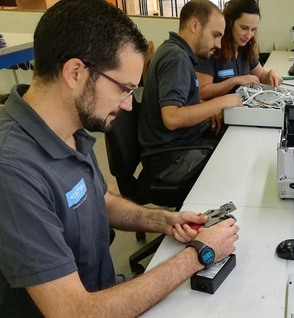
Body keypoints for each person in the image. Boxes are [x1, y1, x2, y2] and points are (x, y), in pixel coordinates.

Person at [0, 1, 239, 317]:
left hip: (107, 292)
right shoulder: (13, 170)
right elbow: (74, 312)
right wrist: (199, 254)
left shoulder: (70, 131)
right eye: (125, 90)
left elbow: (101, 200)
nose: (129, 106)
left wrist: (162, 220)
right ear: (75, 72)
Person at [139, 0, 243, 185]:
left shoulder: (177, 52)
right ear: (195, 25)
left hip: (181, 147)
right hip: (170, 161)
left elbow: (183, 104)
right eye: (215, 35)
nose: (219, 44)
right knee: (237, 165)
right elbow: (172, 118)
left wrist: (209, 110)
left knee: (234, 143)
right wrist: (221, 102)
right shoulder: (176, 58)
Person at [195, 0, 283, 133]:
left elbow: (261, 76)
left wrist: (272, 73)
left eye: (253, 30)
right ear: (229, 24)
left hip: (241, 116)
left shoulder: (244, 49)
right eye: (244, 28)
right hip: (218, 123)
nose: (249, 35)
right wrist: (235, 80)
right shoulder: (212, 49)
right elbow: (202, 92)